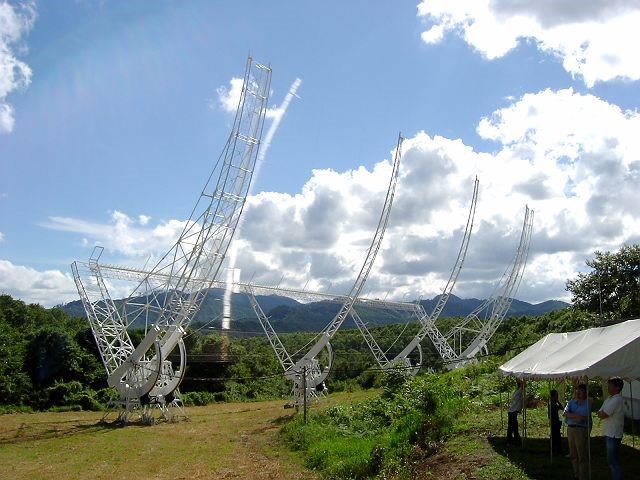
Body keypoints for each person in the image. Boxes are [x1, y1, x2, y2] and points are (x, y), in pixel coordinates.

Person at [597, 377, 624, 480]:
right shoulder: (609, 398)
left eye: (610, 386)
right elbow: (600, 411)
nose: (608, 387)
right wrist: (601, 413)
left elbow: (603, 414)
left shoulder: (617, 399)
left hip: (613, 434)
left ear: (617, 388)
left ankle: (617, 477)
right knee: (612, 459)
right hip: (609, 433)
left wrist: (601, 413)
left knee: (613, 460)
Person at [563, 384, 591, 480]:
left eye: (581, 391)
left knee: (581, 453)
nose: (578, 393)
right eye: (577, 390)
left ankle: (583, 476)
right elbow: (565, 413)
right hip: (570, 429)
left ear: (585, 393)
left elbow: (584, 417)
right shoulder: (571, 402)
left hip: (580, 429)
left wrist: (571, 415)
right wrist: (576, 416)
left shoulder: (587, 404)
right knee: (573, 453)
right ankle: (576, 474)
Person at [506, 378, 524, 446]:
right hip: (512, 411)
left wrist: (519, 377)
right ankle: (512, 441)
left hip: (513, 410)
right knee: (512, 427)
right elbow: (521, 382)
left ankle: (515, 441)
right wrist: (518, 377)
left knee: (513, 427)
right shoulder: (517, 390)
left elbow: (523, 384)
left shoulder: (520, 390)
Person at [548, 389, 564, 455]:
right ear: (552, 396)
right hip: (554, 422)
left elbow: (562, 408)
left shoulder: (553, 403)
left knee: (556, 436)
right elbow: (562, 408)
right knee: (556, 436)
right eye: (556, 396)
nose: (557, 397)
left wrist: (558, 401)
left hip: (555, 421)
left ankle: (556, 449)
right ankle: (556, 450)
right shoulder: (552, 404)